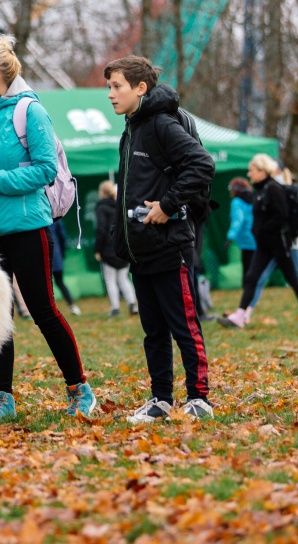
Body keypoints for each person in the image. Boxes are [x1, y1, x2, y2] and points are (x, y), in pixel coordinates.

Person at [0, 35, 96, 421]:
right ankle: (2, 399)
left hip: (27, 227)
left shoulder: (31, 112)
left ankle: (79, 388)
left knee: (43, 308)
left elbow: (46, 170)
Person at [104, 56, 215, 422]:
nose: (110, 94)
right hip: (141, 250)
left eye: (117, 86)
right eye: (109, 87)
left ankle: (199, 398)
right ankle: (161, 399)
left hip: (170, 245)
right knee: (153, 332)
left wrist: (167, 205)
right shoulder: (131, 128)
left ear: (140, 88)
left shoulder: (162, 125)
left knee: (183, 326)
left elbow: (201, 164)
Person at [218, 154, 298, 328]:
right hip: (264, 245)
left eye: (252, 171)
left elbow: (282, 215)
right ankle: (240, 315)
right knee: (252, 277)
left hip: (279, 243)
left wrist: (263, 229)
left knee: (293, 277)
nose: (249, 174)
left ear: (262, 171)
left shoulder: (274, 189)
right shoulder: (261, 190)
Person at [94, 180, 137, 317]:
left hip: (107, 248)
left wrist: (98, 249)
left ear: (102, 192)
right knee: (124, 278)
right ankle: (132, 303)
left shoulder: (101, 208)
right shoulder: (120, 206)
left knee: (110, 279)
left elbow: (101, 229)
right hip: (122, 247)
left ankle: (115, 308)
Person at [46, 218, 80, 315]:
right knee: (59, 282)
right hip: (55, 256)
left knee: (47, 284)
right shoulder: (55, 218)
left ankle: (71, 306)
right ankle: (72, 305)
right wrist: (61, 253)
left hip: (46, 256)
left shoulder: (36, 217)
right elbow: (62, 237)